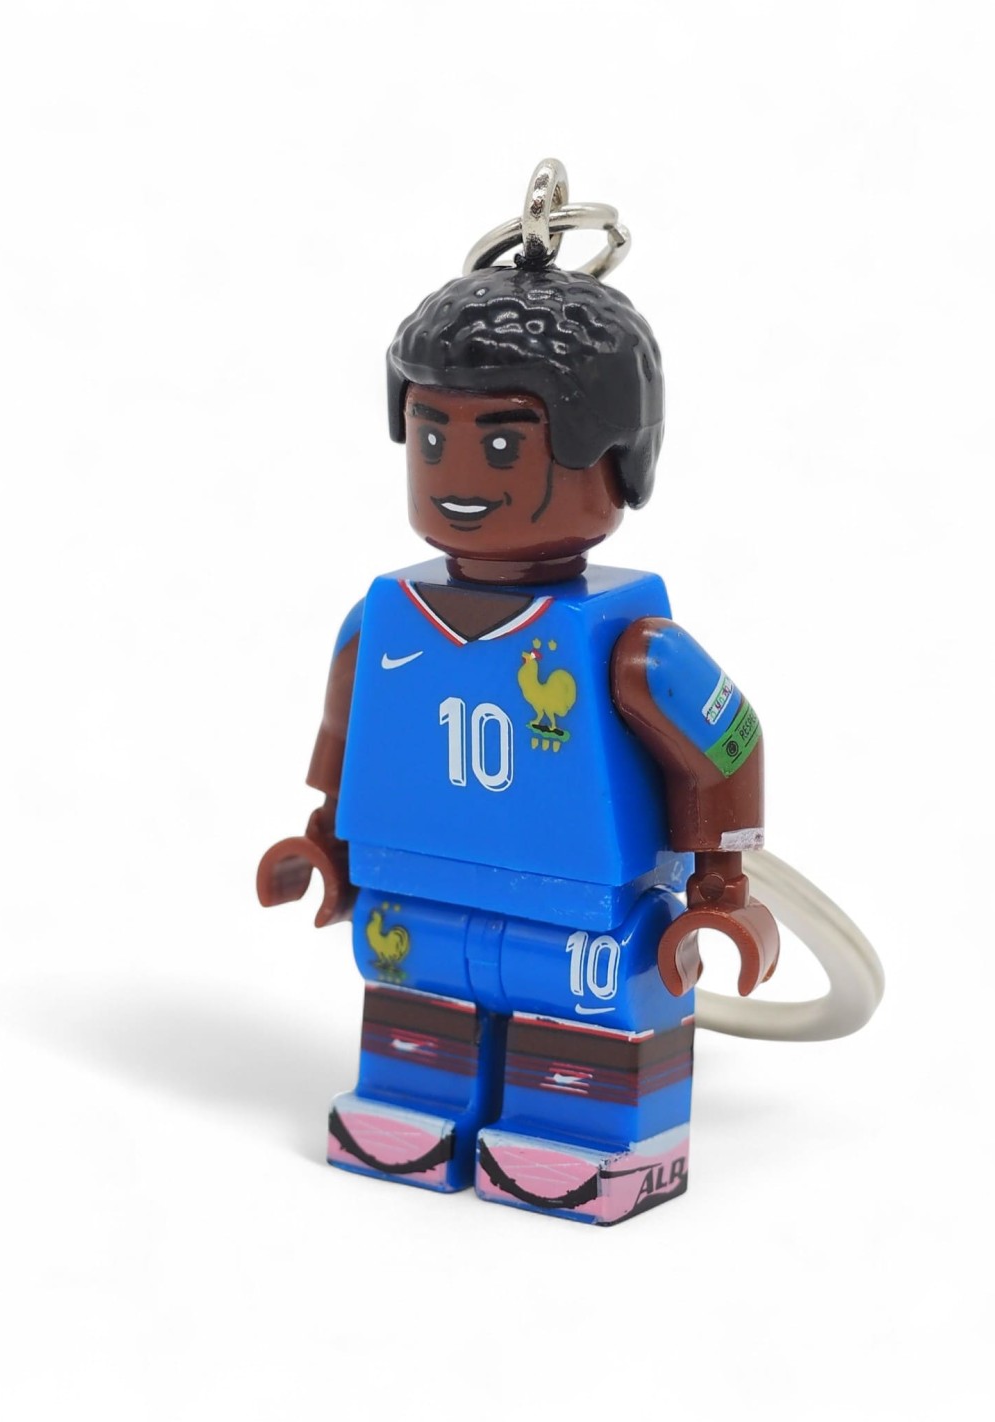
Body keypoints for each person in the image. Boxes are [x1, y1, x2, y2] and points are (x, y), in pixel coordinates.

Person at [257, 265, 778, 1225]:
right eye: (431, 437)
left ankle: (588, 1140)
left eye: (503, 443)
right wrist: (324, 839)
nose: (459, 476)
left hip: (582, 912)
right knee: (416, 1002)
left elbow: (730, 744)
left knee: (589, 1017)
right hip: (415, 891)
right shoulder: (384, 625)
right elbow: (346, 735)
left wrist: (720, 890)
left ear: (612, 458)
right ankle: (412, 1113)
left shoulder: (633, 647)